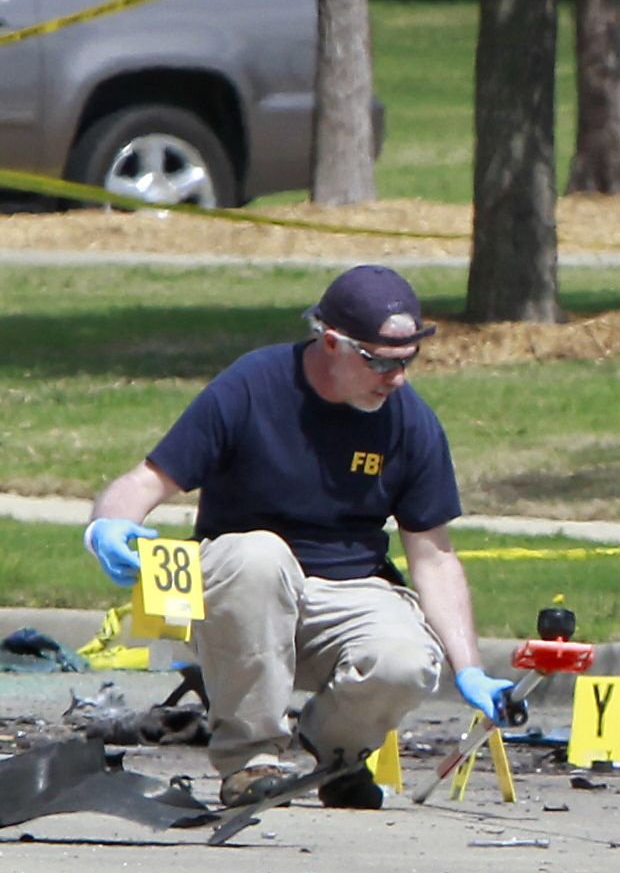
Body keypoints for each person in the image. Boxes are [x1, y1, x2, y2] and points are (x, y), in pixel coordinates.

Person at [83, 264, 513, 810]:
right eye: (381, 361)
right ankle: (250, 759)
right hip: (239, 594)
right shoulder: (252, 386)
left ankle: (335, 755)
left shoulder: (409, 421)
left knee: (405, 660)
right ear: (331, 342)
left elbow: (434, 554)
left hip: (346, 590)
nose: (396, 378)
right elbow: (146, 481)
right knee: (262, 556)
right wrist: (107, 527)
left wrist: (469, 669)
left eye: (408, 361)